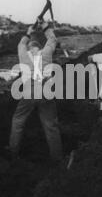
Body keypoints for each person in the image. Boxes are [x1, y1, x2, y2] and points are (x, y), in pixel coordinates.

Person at [8, 21, 63, 162]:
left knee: (18, 120)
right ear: (39, 48)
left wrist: (28, 32)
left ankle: (13, 153)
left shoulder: (23, 54)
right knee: (51, 125)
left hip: (29, 94)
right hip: (46, 92)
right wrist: (45, 27)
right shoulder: (46, 52)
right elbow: (52, 39)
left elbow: (20, 44)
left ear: (29, 48)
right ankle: (57, 158)